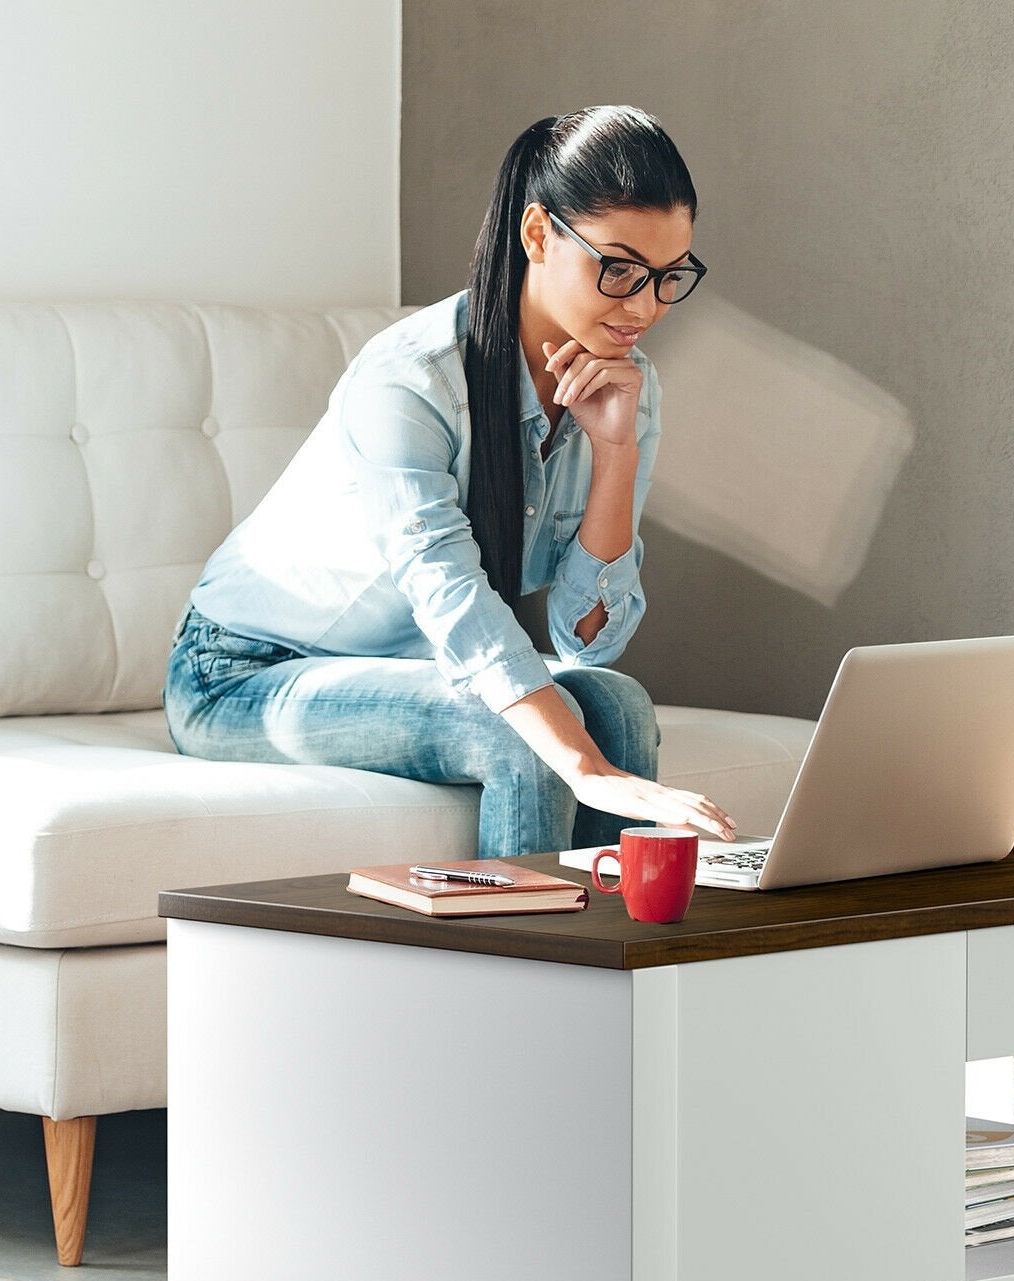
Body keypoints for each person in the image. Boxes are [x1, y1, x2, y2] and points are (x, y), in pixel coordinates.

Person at [164, 105, 737, 856]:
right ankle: (528, 974)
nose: (643, 306)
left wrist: (616, 454)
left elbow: (586, 642)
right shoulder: (412, 379)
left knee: (619, 705)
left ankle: (612, 968)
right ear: (539, 234)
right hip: (242, 674)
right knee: (519, 739)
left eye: (668, 277)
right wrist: (584, 768)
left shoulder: (625, 387)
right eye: (619, 268)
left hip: (400, 667)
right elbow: (453, 597)